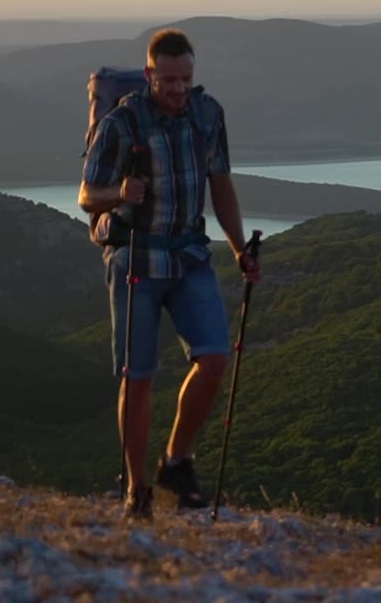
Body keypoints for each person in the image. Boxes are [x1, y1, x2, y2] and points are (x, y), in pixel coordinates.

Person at [79, 28, 260, 520]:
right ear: (149, 74)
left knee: (215, 358)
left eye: (186, 78)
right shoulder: (122, 124)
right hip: (135, 257)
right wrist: (120, 194)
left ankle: (175, 462)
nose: (179, 88)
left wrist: (240, 248)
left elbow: (220, 185)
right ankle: (136, 490)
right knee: (138, 378)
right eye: (170, 79)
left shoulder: (208, 115)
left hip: (188, 255)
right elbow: (86, 195)